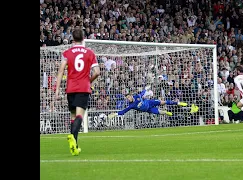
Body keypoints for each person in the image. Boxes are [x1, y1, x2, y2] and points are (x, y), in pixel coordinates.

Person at [55, 28, 100, 156]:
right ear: (83, 39)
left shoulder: (67, 53)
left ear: (72, 39)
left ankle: (75, 147)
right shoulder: (89, 53)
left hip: (70, 89)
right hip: (83, 88)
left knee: (73, 117)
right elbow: (97, 72)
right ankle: (72, 138)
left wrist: (57, 89)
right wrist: (89, 81)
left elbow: (60, 71)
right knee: (80, 116)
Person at [107, 86, 199, 119]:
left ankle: (181, 104)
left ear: (131, 96)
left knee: (164, 102)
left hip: (150, 102)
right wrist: (115, 114)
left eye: (128, 97)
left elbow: (142, 93)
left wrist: (146, 88)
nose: (128, 99)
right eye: (127, 98)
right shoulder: (131, 106)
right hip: (149, 110)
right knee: (165, 113)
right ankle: (185, 113)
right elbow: (123, 112)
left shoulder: (136, 96)